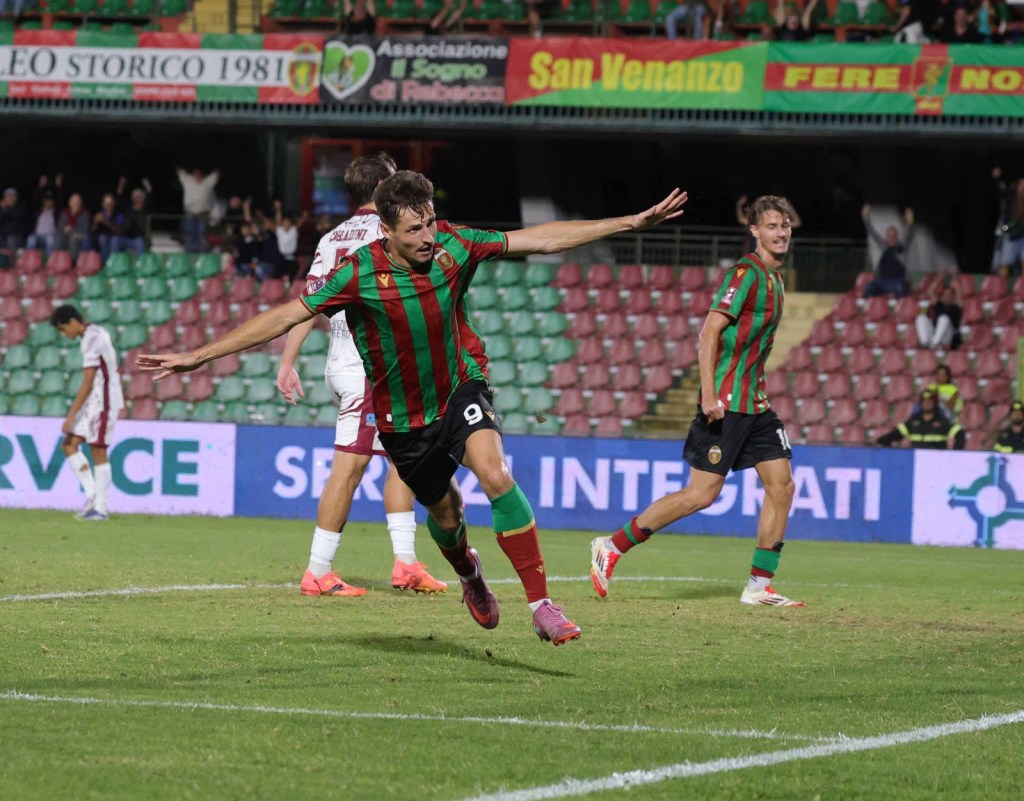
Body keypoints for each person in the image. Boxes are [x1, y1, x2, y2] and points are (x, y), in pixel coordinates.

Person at [139, 171, 688, 645]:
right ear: (386, 231)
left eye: (430, 222)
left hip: (460, 390)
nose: (428, 237)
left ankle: (541, 605)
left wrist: (627, 224)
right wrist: (199, 356)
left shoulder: (453, 243)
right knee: (447, 518)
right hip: (403, 422)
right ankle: (469, 573)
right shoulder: (358, 273)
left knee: (496, 473)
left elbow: (538, 240)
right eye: (414, 229)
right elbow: (286, 315)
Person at [590, 195, 804, 608]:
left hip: (755, 405)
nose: (781, 232)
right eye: (772, 226)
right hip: (726, 401)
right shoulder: (746, 273)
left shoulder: (775, 279)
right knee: (702, 495)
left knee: (782, 486)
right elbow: (709, 333)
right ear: (754, 231)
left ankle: (759, 587)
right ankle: (611, 545)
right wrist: (708, 393)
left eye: (786, 225)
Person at [275, 154, 448, 598]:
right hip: (369, 365)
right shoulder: (387, 233)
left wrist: (287, 361)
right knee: (349, 468)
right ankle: (317, 571)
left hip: (346, 360)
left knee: (403, 460)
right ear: (385, 188)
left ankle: (406, 563)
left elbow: (309, 301)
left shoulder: (332, 236)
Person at [50, 304, 125, 521]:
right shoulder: (94, 334)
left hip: (104, 400)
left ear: (72, 322)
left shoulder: (92, 338)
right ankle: (93, 497)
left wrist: (72, 414)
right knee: (69, 444)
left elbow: (89, 379)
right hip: (95, 401)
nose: (65, 335)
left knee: (97, 448)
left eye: (63, 329)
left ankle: (101, 508)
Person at [875, 389, 965, 449]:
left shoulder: (942, 420)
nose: (927, 404)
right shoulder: (914, 420)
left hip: (937, 462)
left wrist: (955, 451)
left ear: (934, 403)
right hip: (917, 461)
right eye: (925, 401)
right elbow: (895, 435)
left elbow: (959, 433)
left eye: (930, 401)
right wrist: (878, 441)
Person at [861, 203, 914, 298]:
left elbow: (909, 235)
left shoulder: (901, 247)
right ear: (886, 236)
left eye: (893, 235)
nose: (891, 237)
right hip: (882, 281)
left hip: (897, 281)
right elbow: (871, 232)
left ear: (896, 236)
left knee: (901, 288)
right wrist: (866, 217)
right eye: (889, 235)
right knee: (869, 287)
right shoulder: (883, 246)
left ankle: (897, 309)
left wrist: (910, 221)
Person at [176, 165, 220, 253]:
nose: (197, 175)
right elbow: (179, 170)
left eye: (199, 174)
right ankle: (190, 254)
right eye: (195, 173)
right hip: (190, 214)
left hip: (203, 215)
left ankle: (201, 254)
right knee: (189, 235)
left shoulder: (208, 182)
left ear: (203, 175)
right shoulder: (187, 180)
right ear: (193, 174)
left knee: (202, 236)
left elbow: (216, 173)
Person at [990, 167, 1024, 277]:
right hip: (1011, 234)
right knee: (1004, 264)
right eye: (1022, 184)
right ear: (1018, 185)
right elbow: (1001, 190)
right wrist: (997, 179)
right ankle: (999, 287)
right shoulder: (1010, 196)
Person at [915, 273, 962, 351]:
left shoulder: (956, 306)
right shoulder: (938, 304)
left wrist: (955, 279)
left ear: (953, 297)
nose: (946, 296)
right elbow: (930, 292)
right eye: (945, 294)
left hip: (947, 335)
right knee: (921, 317)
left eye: (949, 294)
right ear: (941, 296)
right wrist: (938, 279)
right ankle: (924, 343)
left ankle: (934, 344)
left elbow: (959, 295)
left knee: (944, 318)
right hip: (935, 332)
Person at [57, 193, 92, 260]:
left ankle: (73, 262)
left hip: (80, 238)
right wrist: (71, 232)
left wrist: (71, 229)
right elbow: (60, 228)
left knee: (73, 240)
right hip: (67, 236)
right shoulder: (64, 213)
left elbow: (84, 229)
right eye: (74, 202)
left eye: (78, 203)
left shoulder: (85, 214)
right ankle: (56, 261)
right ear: (69, 202)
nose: (75, 204)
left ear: (80, 204)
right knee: (58, 240)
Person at [0, 186, 29, 252]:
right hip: (3, 235)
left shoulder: (20, 208)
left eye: (12, 196)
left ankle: (12, 262)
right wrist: (3, 210)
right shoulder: (2, 209)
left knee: (11, 239)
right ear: (4, 198)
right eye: (8, 196)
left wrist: (7, 209)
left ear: (16, 198)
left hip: (16, 236)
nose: (10, 198)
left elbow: (17, 221)